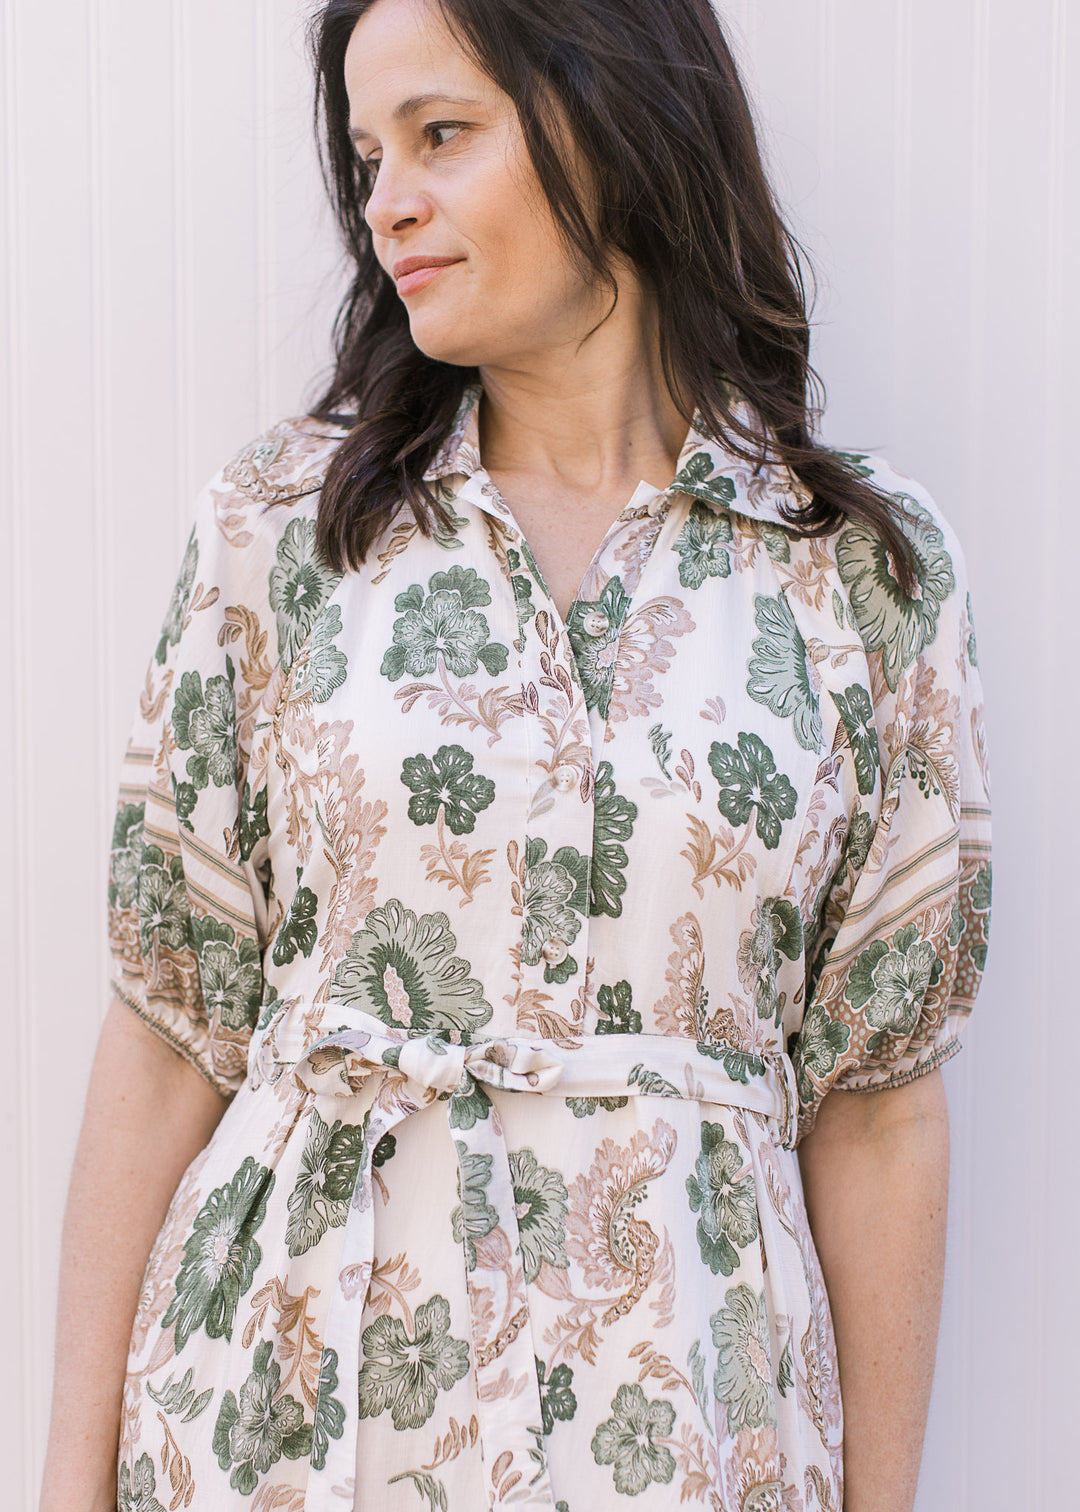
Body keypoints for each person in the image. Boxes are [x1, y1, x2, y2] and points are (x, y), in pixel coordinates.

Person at [39, 0, 992, 1508]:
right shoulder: (286, 529)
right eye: (369, 159)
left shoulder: (860, 570)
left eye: (441, 135)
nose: (386, 206)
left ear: (609, 120)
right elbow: (168, 1031)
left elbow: (879, 1109)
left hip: (687, 1439)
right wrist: (63, 1484)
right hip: (287, 1426)